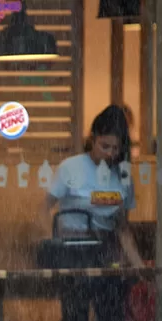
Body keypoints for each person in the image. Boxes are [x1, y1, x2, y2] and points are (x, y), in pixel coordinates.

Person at [41, 105, 144, 268]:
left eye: (115, 148)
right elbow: (42, 209)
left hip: (106, 253)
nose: (110, 153)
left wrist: (139, 267)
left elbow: (123, 229)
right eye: (104, 146)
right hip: (71, 252)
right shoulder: (70, 168)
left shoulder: (123, 176)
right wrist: (52, 241)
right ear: (93, 139)